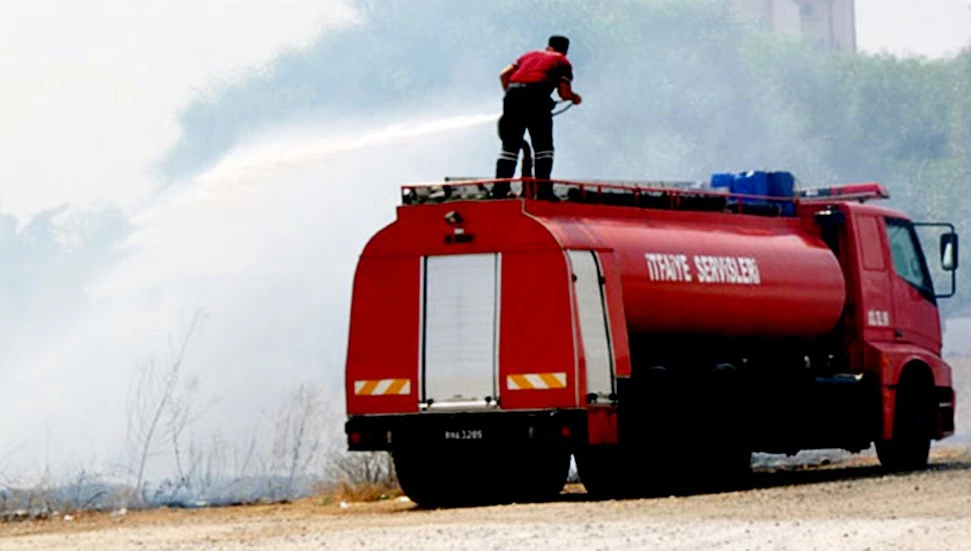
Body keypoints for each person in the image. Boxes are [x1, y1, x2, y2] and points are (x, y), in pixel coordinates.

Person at [493, 35, 582, 199]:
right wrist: (574, 98)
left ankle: (499, 190)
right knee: (543, 148)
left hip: (512, 95)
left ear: (548, 46)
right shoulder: (562, 61)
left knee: (510, 146)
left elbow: (504, 75)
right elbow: (564, 93)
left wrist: (514, 94)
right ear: (566, 50)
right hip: (537, 98)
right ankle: (544, 192)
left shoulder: (529, 55)